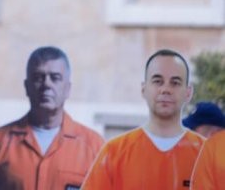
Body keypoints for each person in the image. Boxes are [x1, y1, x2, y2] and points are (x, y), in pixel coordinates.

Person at [0, 46, 104, 190]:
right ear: (27, 87)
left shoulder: (94, 147)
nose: (47, 84)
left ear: (68, 88)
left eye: (55, 78)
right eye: (38, 78)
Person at [82, 49, 205, 190]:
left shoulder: (206, 154)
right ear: (143, 89)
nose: (165, 89)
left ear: (188, 93)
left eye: (175, 83)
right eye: (158, 81)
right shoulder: (114, 152)